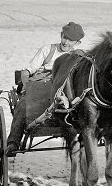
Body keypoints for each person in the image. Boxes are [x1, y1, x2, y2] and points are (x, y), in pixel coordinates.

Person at [5, 22, 84, 155]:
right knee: (23, 105)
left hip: (65, 90)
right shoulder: (48, 50)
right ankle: (13, 142)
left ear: (77, 43)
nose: (66, 42)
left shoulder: (78, 55)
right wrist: (26, 88)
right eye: (65, 38)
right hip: (42, 86)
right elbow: (27, 71)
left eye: (71, 40)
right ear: (61, 35)